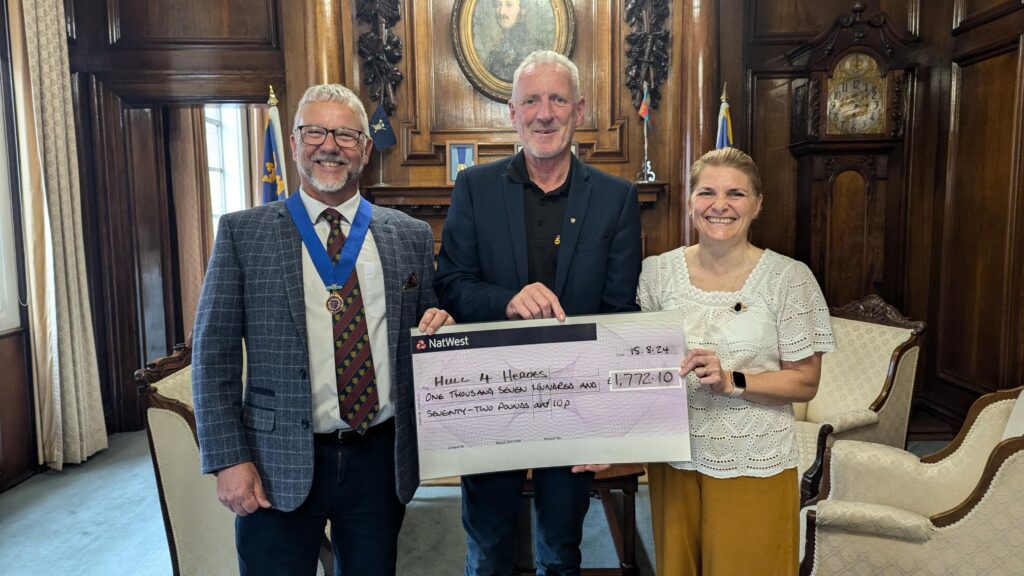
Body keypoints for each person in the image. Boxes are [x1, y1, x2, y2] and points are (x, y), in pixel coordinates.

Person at [192, 83, 453, 576]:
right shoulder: (242, 234)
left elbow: (426, 329)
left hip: (379, 458)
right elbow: (213, 356)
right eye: (315, 131)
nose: (330, 145)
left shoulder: (410, 236)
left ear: (366, 149)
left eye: (346, 135)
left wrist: (442, 325)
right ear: (293, 143)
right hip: (276, 460)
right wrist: (228, 459)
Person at [434, 50, 642, 576]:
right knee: (488, 554)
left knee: (562, 552)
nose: (544, 113)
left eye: (556, 99)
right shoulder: (474, 189)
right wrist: (505, 299)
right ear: (512, 113)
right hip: (488, 402)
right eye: (531, 100)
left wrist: (609, 428)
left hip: (576, 404)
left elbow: (620, 313)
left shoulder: (616, 200)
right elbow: (451, 284)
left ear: (579, 108)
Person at [636, 147, 835, 575]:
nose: (720, 205)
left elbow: (805, 382)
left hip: (753, 459)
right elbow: (638, 367)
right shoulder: (655, 273)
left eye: (736, 194)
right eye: (707, 192)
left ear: (758, 203)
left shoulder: (789, 278)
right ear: (690, 201)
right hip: (675, 459)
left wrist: (732, 380)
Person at [485, 0, 543, 82]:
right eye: (498, 5)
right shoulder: (496, 50)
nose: (501, 12)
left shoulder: (536, 49)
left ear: (522, 10)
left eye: (509, 5)